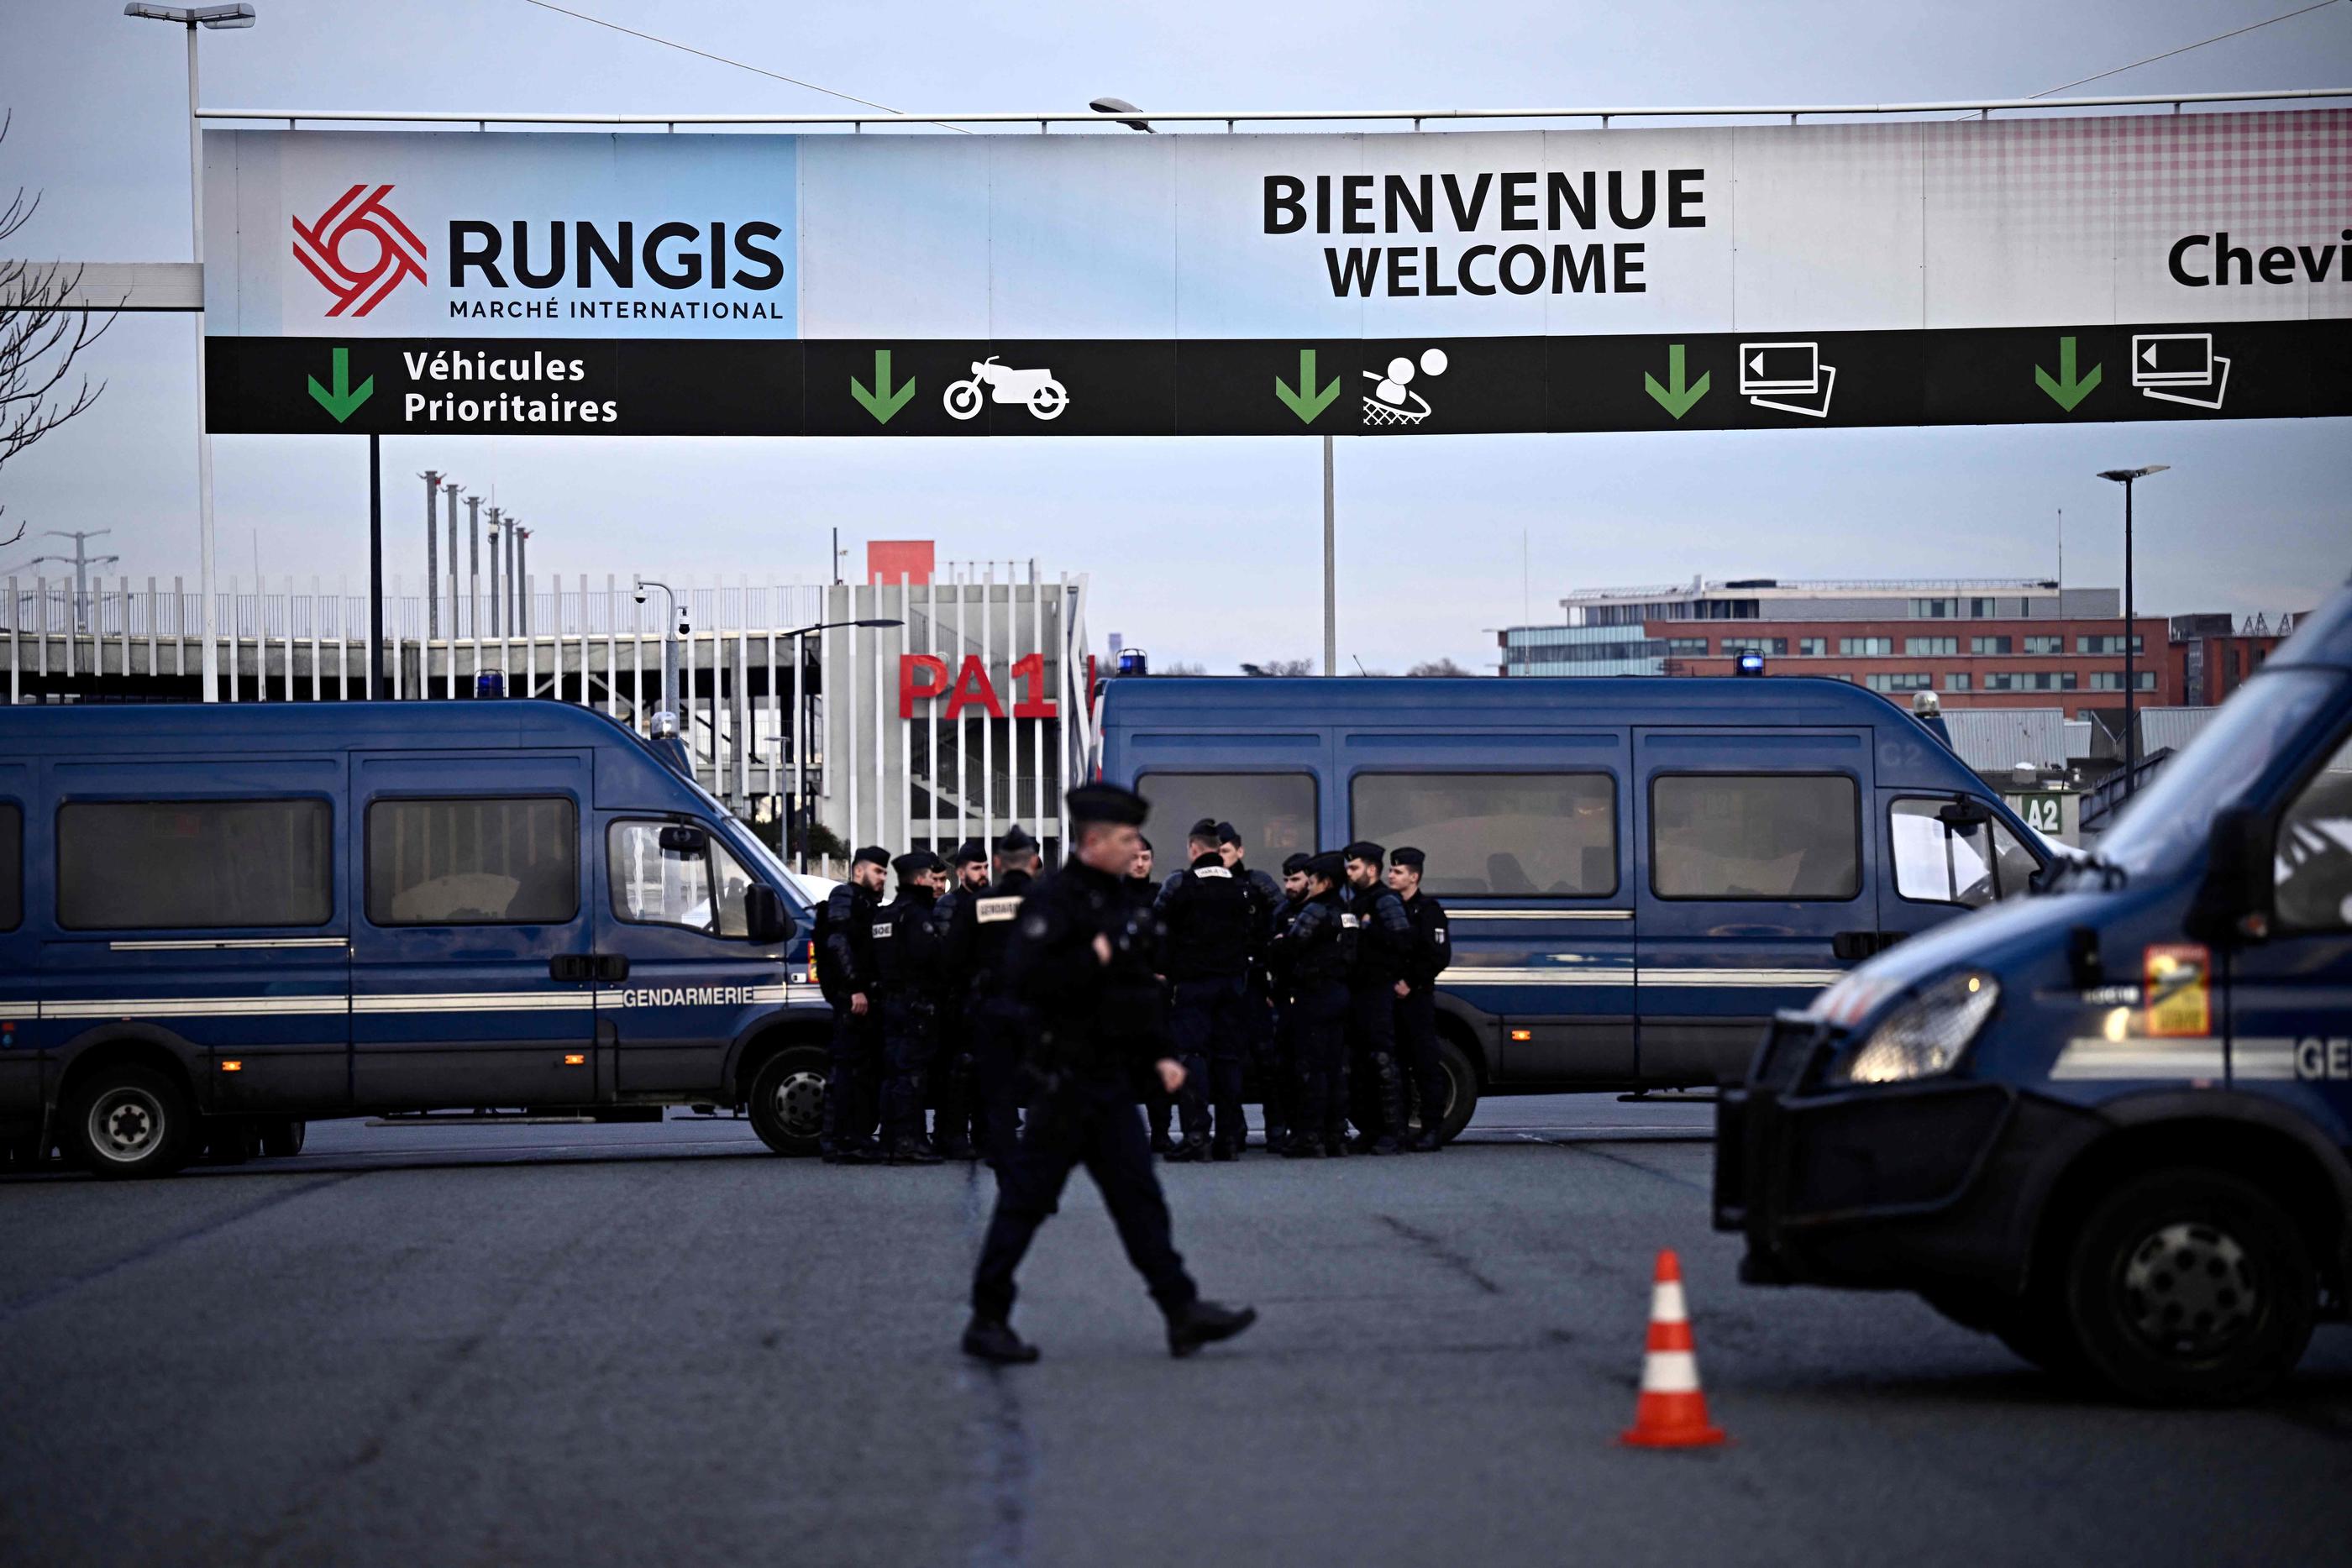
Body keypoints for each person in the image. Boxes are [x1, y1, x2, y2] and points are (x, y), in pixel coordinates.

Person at [963, 784, 1257, 1365]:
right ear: (1094, 841)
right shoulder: (1055, 898)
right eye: (1125, 840)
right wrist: (1095, 953)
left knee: (1140, 1198)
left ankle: (1182, 1311)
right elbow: (1028, 977)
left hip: (1111, 1079)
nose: (1134, 850)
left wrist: (1160, 1054)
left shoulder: (1118, 898)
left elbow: (1132, 990)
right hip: (1066, 1080)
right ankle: (987, 1316)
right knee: (1026, 1200)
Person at [942, 826, 1042, 1167]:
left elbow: (952, 957)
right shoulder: (1048, 900)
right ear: (1032, 862)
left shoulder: (980, 904)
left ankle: (996, 1146)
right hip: (1037, 1008)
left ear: (999, 863)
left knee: (995, 1080)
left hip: (990, 1006)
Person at [1157, 817, 1256, 1161]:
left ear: (1193, 848)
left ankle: (1197, 1134)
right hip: (1233, 985)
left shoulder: (1182, 885)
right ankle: (1229, 1138)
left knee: (1191, 1056)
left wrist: (1165, 970)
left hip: (1193, 985)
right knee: (1229, 1059)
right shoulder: (1241, 886)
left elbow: (1159, 929)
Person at [1268, 852, 1354, 1157]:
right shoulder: (1347, 913)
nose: (1309, 886)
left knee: (1311, 1069)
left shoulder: (1316, 911)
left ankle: (1310, 1136)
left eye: (1313, 880)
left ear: (1326, 882)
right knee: (1334, 1068)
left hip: (1313, 996)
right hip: (1339, 994)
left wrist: (1278, 943)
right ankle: (1336, 1136)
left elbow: (1288, 948)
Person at [1216, 822, 1288, 1151]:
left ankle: (1276, 1128)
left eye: (1227, 851)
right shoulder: (1209, 886)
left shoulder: (1259, 883)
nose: (1221, 857)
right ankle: (1234, 1130)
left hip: (1257, 984)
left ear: (1240, 851)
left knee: (1266, 1061)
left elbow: (1282, 921)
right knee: (1228, 1061)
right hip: (1227, 986)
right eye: (1217, 852)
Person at [874, 851, 948, 1165]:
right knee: (912, 1075)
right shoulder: (917, 916)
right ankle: (910, 1141)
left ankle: (890, 1139)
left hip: (889, 1003)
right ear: (919, 879)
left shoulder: (884, 916)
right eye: (932, 878)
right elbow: (932, 959)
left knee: (893, 1073)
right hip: (916, 1004)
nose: (936, 884)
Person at [819, 846, 890, 1163]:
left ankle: (855, 1138)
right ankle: (841, 1140)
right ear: (858, 871)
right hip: (853, 1000)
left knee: (861, 1070)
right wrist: (854, 989)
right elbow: (837, 941)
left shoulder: (867, 904)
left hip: (866, 999)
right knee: (848, 1070)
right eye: (878, 871)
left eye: (885, 872)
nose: (883, 878)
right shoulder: (844, 896)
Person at [1341, 841, 1414, 1155]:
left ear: (1372, 869)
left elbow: (1403, 941)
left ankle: (1394, 1131)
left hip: (1377, 991)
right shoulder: (1358, 902)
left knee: (1383, 1060)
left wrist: (1370, 931)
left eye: (1354, 867)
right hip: (1358, 991)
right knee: (1360, 1064)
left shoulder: (1385, 900)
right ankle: (1370, 1130)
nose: (1349, 873)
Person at [1386, 847, 1453, 1152]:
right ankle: (1397, 1129)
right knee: (1394, 1065)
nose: (1391, 875)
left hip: (1416, 999)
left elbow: (1438, 955)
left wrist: (1411, 983)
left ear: (1414, 877)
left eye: (1398, 872)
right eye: (1391, 871)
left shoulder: (1428, 911)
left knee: (1425, 1065)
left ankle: (1432, 1129)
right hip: (1390, 999)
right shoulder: (1389, 907)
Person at [928, 839, 991, 1158]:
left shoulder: (993, 902)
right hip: (958, 1000)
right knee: (956, 1073)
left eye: (985, 867)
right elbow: (944, 957)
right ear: (962, 871)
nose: (983, 873)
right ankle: (951, 1135)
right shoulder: (949, 906)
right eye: (977, 868)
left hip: (986, 1001)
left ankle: (982, 1134)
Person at [1130, 836, 1177, 1155]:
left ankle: (1160, 1132)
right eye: (1134, 858)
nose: (1140, 863)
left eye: (1145, 857)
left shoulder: (1161, 897)